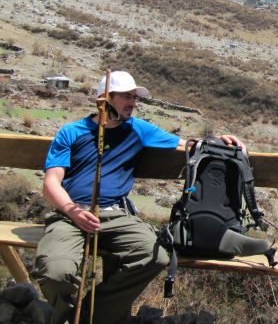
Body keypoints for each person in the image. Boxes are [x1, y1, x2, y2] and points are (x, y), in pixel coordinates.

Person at [34, 70, 243, 324]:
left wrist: (217, 141)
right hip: (70, 215)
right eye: (126, 96)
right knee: (57, 274)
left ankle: (89, 316)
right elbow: (51, 183)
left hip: (115, 215)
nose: (133, 103)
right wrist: (72, 211)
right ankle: (73, 315)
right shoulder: (71, 132)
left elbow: (186, 144)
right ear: (104, 98)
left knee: (155, 256)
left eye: (135, 97)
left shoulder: (138, 130)